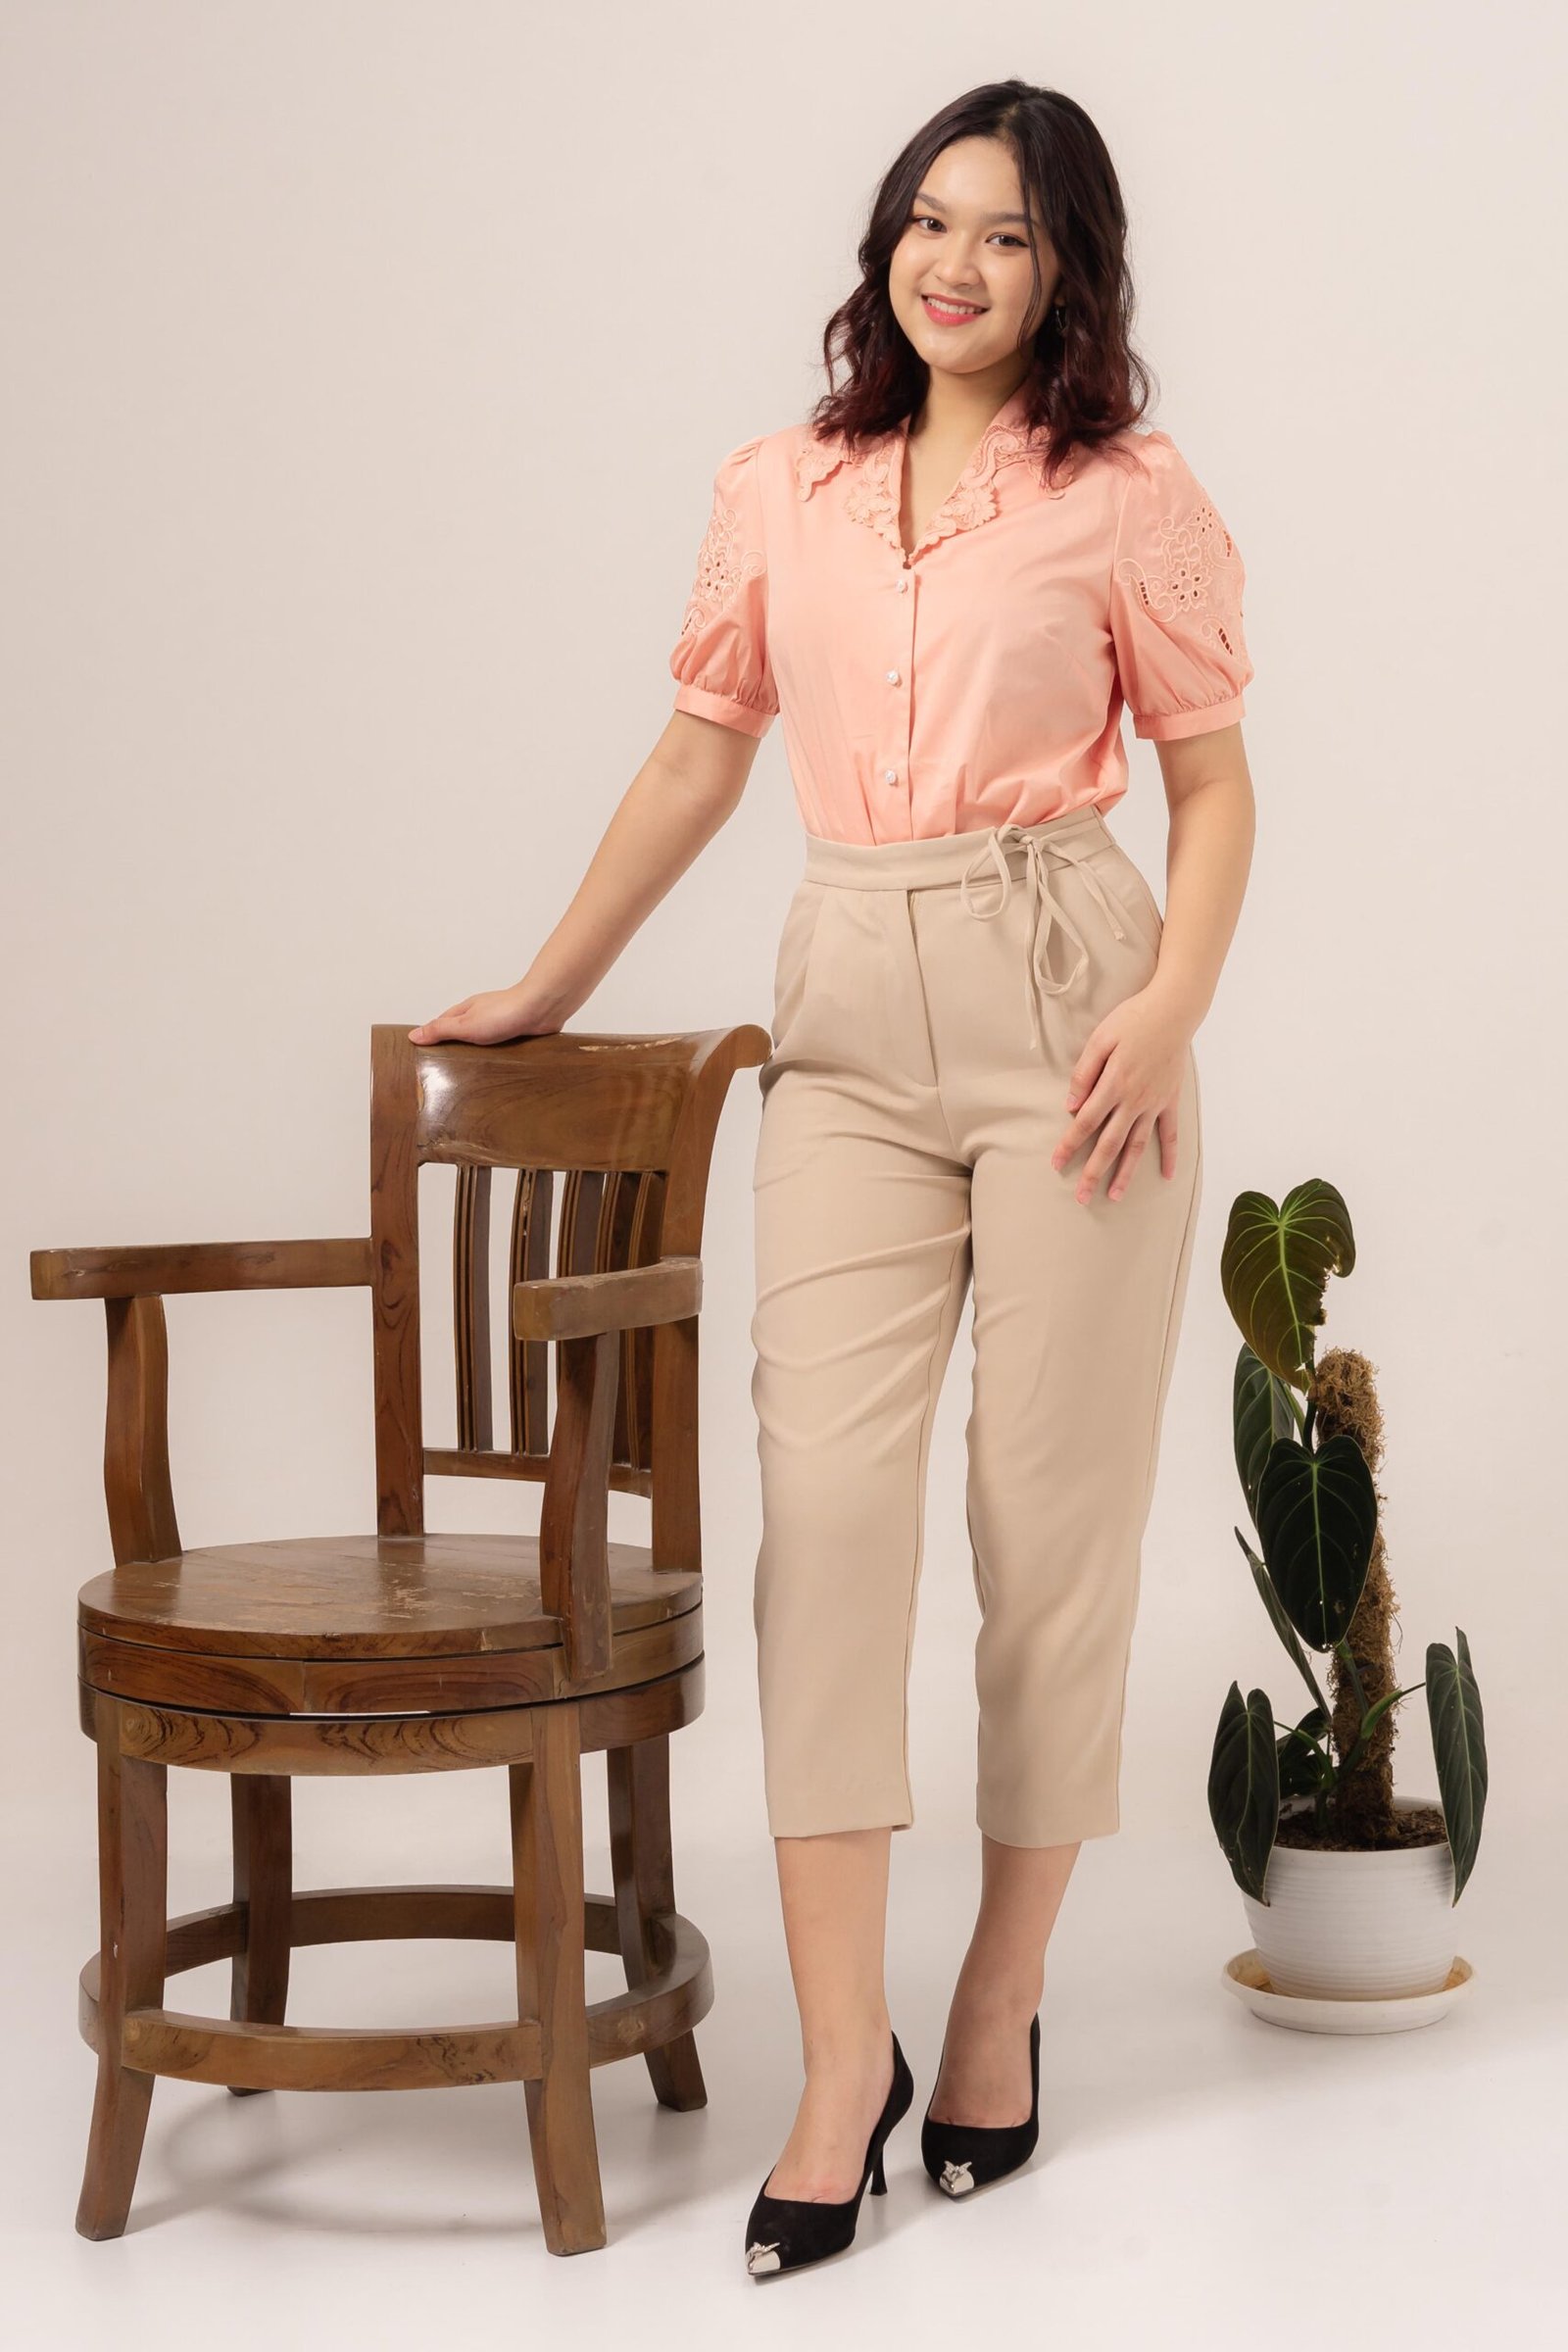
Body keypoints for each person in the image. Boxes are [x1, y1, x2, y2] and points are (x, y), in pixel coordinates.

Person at [410, 77, 1255, 2279]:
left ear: (1068, 273)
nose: (955, 262)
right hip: (852, 1012)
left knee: (1044, 1539)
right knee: (834, 1531)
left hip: (1072, 999)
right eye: (928, 220)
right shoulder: (777, 485)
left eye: (1009, 234)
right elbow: (703, 749)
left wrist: (1168, 1004)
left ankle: (992, 2007)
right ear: (886, 239)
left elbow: (1211, 784)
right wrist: (546, 982)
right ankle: (837, 2060)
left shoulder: (1129, 494)